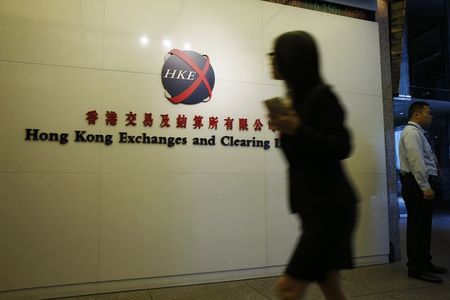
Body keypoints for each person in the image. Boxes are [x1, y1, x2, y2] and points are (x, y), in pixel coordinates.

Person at [267, 31, 357, 300]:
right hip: (316, 209)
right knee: (330, 283)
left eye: (275, 55)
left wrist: (297, 128)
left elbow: (342, 145)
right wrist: (291, 129)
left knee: (289, 288)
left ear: (291, 59)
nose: (270, 61)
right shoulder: (295, 101)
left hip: (331, 211)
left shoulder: (321, 96)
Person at [398, 101, 447, 284]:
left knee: (424, 226)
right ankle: (416, 268)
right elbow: (416, 161)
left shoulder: (418, 132)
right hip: (416, 185)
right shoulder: (411, 133)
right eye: (428, 113)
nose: (431, 116)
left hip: (420, 184)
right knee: (417, 227)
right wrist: (425, 186)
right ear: (417, 115)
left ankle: (425, 263)